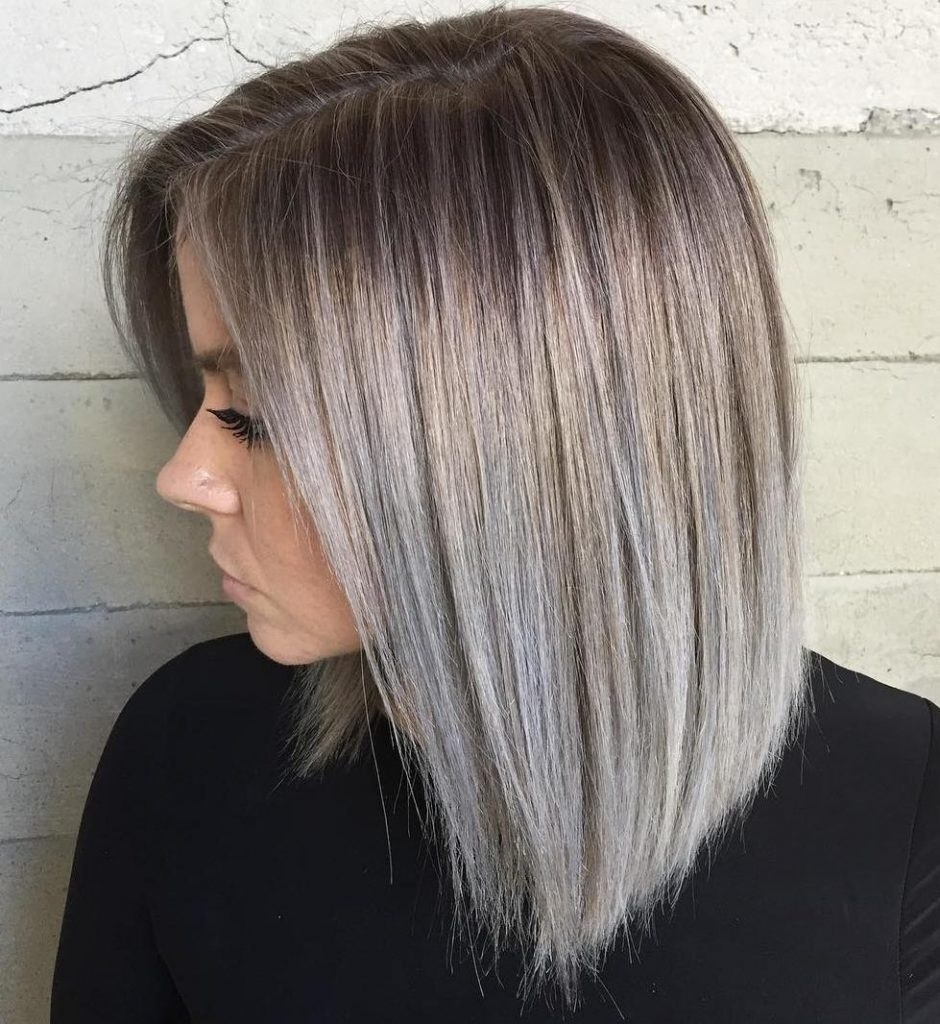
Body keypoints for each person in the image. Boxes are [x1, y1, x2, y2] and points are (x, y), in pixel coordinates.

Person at [50, 4, 939, 1021]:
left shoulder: (904, 814)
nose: (182, 477)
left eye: (257, 417)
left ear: (532, 443)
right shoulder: (190, 753)